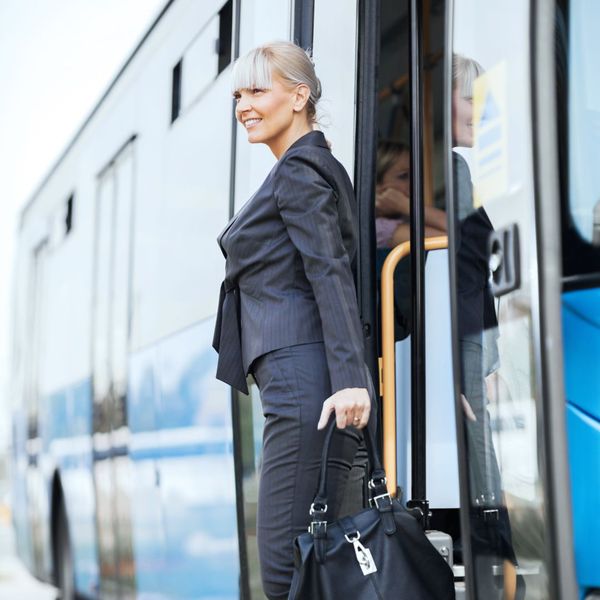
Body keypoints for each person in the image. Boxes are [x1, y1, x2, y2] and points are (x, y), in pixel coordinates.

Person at [212, 41, 374, 600]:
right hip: (297, 382)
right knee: (301, 552)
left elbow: (330, 273)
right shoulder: (300, 169)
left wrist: (353, 378)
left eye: (258, 90)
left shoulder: (301, 171)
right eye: (238, 94)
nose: (244, 106)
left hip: (306, 383)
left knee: (285, 559)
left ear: (299, 95)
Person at [452, 54, 521, 600]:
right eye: (466, 96)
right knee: (481, 459)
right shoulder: (449, 171)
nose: (478, 110)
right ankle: (498, 576)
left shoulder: (456, 170)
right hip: (465, 344)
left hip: (474, 342)